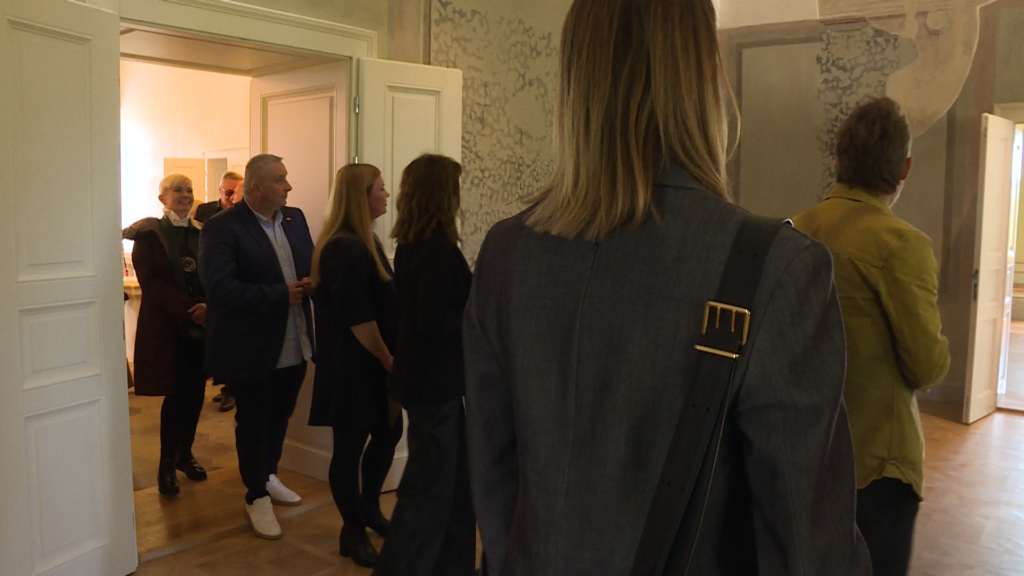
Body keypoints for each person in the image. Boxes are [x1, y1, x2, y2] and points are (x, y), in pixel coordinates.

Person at [462, 0, 872, 574]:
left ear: (576, 77)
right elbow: (810, 552)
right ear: (704, 78)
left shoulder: (506, 252)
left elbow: (494, 484)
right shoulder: (780, 269)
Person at [792, 96, 950, 576]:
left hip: (805, 452)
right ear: (904, 168)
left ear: (838, 159)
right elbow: (926, 367)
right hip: (876, 464)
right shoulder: (901, 244)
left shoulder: (792, 232)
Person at [198, 154, 315, 540]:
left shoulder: (295, 218)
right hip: (251, 348)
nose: (289, 186)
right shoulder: (222, 227)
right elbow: (219, 288)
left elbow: (308, 263)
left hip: (295, 340)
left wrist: (313, 282)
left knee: (280, 417)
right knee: (253, 422)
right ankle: (255, 496)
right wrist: (279, 295)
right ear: (256, 187)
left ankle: (268, 475)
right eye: (280, 179)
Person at [373, 155, 475, 576]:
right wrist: (476, 313)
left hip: (429, 381)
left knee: (454, 487)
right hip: (436, 384)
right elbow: (432, 322)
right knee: (429, 491)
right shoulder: (435, 250)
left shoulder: (415, 244)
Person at [309, 163, 403, 568]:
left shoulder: (366, 241)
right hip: (354, 366)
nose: (387, 194)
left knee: (388, 433)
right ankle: (352, 530)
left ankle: (368, 509)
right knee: (348, 449)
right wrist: (388, 358)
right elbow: (358, 318)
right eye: (380, 188)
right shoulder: (346, 247)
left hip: (371, 363)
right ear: (361, 197)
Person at [124, 174, 209, 497]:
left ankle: (185, 454)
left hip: (202, 328)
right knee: (176, 397)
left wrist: (209, 307)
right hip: (169, 328)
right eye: (178, 190)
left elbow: (214, 274)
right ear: (163, 198)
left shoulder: (203, 233)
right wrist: (191, 310)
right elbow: (152, 284)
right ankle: (166, 464)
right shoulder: (149, 235)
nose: (185, 195)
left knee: (196, 393)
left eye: (189, 190)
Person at [193, 172, 242, 412]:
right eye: (228, 192)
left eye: (235, 193)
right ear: (220, 190)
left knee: (233, 345)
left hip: (233, 285)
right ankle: (223, 386)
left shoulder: (241, 216)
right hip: (209, 280)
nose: (231, 198)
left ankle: (231, 391)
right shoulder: (205, 211)